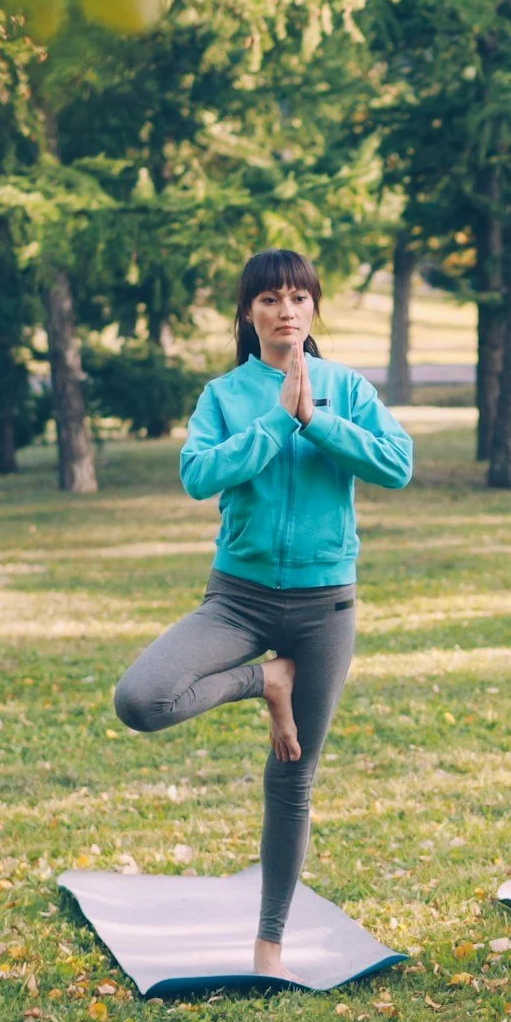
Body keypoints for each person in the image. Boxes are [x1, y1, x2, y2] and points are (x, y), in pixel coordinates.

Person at [112, 248, 412, 980]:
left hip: (324, 606)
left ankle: (269, 943)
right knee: (141, 699)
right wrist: (278, 422)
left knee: (293, 777)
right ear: (249, 313)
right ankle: (265, 681)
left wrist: (316, 421)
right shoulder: (224, 395)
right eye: (270, 299)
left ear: (314, 308)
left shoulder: (346, 388)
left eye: (298, 298)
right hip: (237, 600)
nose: (286, 311)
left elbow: (397, 465)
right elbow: (198, 475)